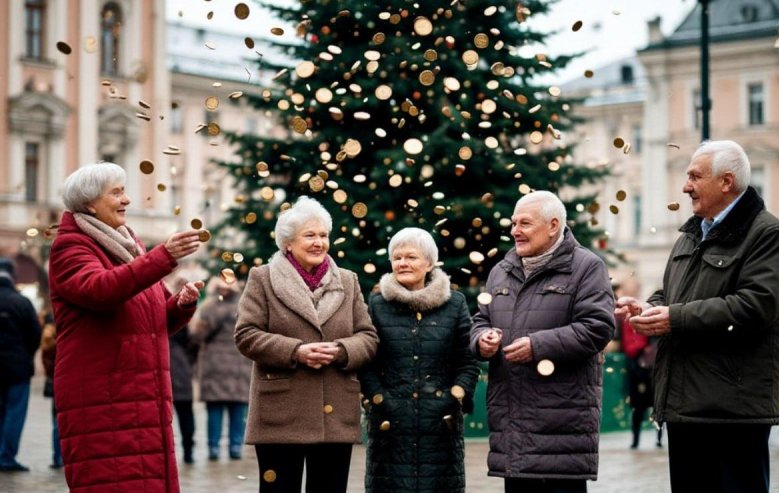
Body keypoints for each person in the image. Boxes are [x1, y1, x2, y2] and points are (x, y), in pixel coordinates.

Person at [616, 140, 779, 493]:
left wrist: (674, 318)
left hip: (732, 409)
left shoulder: (767, 234)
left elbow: (756, 307)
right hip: (685, 405)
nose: (685, 187)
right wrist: (649, 308)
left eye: (694, 177)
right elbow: (671, 295)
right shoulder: (690, 233)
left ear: (726, 182)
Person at [48, 162, 205, 492]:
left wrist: (180, 303)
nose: (127, 200)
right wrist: (163, 256)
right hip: (103, 400)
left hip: (140, 397)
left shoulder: (129, 244)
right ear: (90, 203)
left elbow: (154, 321)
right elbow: (100, 290)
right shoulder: (70, 246)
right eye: (117, 193)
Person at [470, 191, 615, 493]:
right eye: (513, 223)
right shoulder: (501, 271)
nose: (515, 231)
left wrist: (537, 346)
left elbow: (598, 327)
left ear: (553, 226)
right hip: (511, 427)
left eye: (524, 223)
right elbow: (480, 318)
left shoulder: (587, 267)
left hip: (561, 429)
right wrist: (481, 339)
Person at [234, 196, 379, 493]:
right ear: (287, 243)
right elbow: (246, 334)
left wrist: (341, 350)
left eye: (323, 235)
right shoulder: (262, 278)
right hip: (281, 412)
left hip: (334, 412)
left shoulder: (348, 280)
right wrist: (295, 351)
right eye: (309, 235)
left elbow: (368, 337)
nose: (319, 242)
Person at [360, 227, 479, 493]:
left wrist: (453, 398)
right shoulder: (377, 304)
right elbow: (367, 361)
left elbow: (467, 359)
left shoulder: (455, 303)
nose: (402, 263)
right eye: (397, 257)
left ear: (429, 263)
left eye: (411, 257)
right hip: (390, 425)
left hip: (440, 425)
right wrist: (381, 400)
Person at [191, 277, 250, 461]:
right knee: (237, 409)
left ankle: (214, 447)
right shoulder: (245, 307)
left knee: (214, 409)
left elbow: (197, 336)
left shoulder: (209, 308)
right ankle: (235, 447)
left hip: (214, 366)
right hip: (240, 366)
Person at [0, 258, 42, 472]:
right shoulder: (21, 302)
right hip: (18, 368)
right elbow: (35, 334)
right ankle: (6, 457)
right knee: (14, 413)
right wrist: (26, 355)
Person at [614, 277, 662, 449]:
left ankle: (657, 438)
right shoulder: (621, 317)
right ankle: (636, 440)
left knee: (655, 404)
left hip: (648, 365)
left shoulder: (646, 308)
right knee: (637, 405)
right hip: (633, 363)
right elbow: (618, 339)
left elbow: (655, 336)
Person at [168, 277, 198, 465]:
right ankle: (188, 451)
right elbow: (193, 344)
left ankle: (183, 451)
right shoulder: (182, 314)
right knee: (186, 413)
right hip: (181, 369)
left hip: (172, 368)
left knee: (174, 415)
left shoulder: (166, 309)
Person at [39, 303, 63, 468]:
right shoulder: (52, 330)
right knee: (58, 418)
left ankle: (58, 457)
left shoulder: (49, 330)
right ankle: (58, 457)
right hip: (59, 376)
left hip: (56, 375)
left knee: (57, 418)